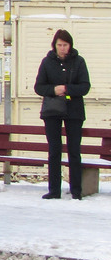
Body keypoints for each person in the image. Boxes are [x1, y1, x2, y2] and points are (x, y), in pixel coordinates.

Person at [34, 29, 91, 199]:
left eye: (65, 45)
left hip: (74, 111)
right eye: (59, 45)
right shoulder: (47, 62)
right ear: (54, 45)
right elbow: (39, 87)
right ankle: (54, 190)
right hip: (52, 111)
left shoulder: (79, 62)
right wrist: (53, 89)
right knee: (54, 150)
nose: (62, 48)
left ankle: (76, 190)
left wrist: (67, 89)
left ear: (70, 45)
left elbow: (85, 86)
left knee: (74, 150)